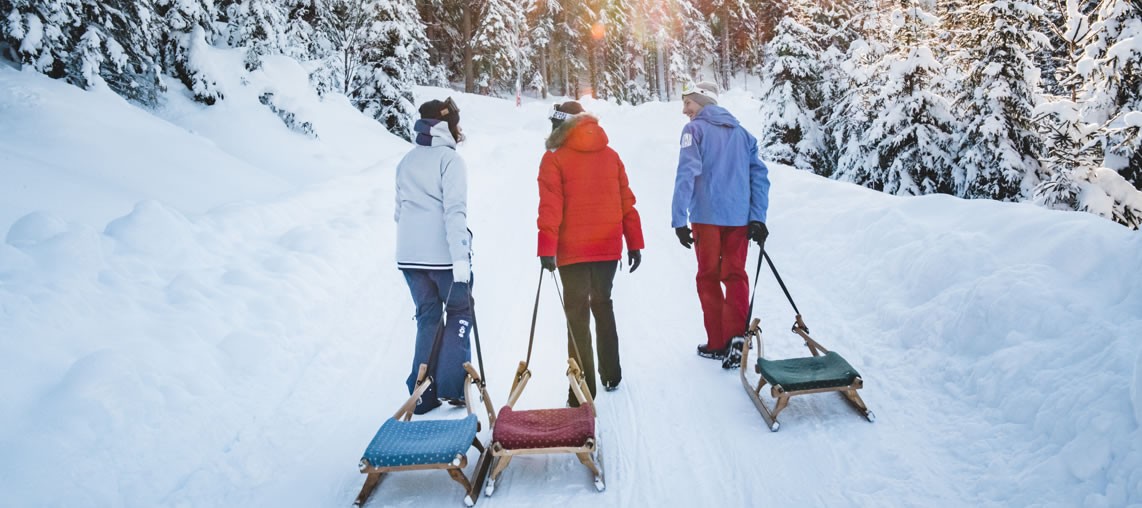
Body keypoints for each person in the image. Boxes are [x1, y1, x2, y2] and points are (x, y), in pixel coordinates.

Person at [537, 101, 644, 406]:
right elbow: (627, 202)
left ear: (565, 125)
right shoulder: (611, 156)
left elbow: (550, 207)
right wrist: (634, 242)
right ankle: (611, 374)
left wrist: (546, 248)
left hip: (572, 251)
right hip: (608, 248)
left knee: (577, 316)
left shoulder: (553, 158)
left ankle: (582, 389)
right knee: (603, 304)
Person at [671, 81, 771, 369]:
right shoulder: (743, 134)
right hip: (739, 220)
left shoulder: (694, 130)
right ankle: (736, 338)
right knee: (736, 275)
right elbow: (759, 178)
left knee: (708, 277)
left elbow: (686, 173)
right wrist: (757, 217)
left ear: (702, 102)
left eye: (687, 103)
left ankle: (717, 343)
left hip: (706, 217)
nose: (684, 110)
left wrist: (679, 219)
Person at [395, 97, 474, 414]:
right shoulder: (450, 161)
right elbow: (454, 211)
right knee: (460, 311)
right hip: (443, 258)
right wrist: (461, 258)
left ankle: (422, 392)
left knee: (427, 316)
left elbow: (399, 211)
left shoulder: (407, 160)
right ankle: (454, 387)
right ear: (446, 126)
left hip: (409, 258)